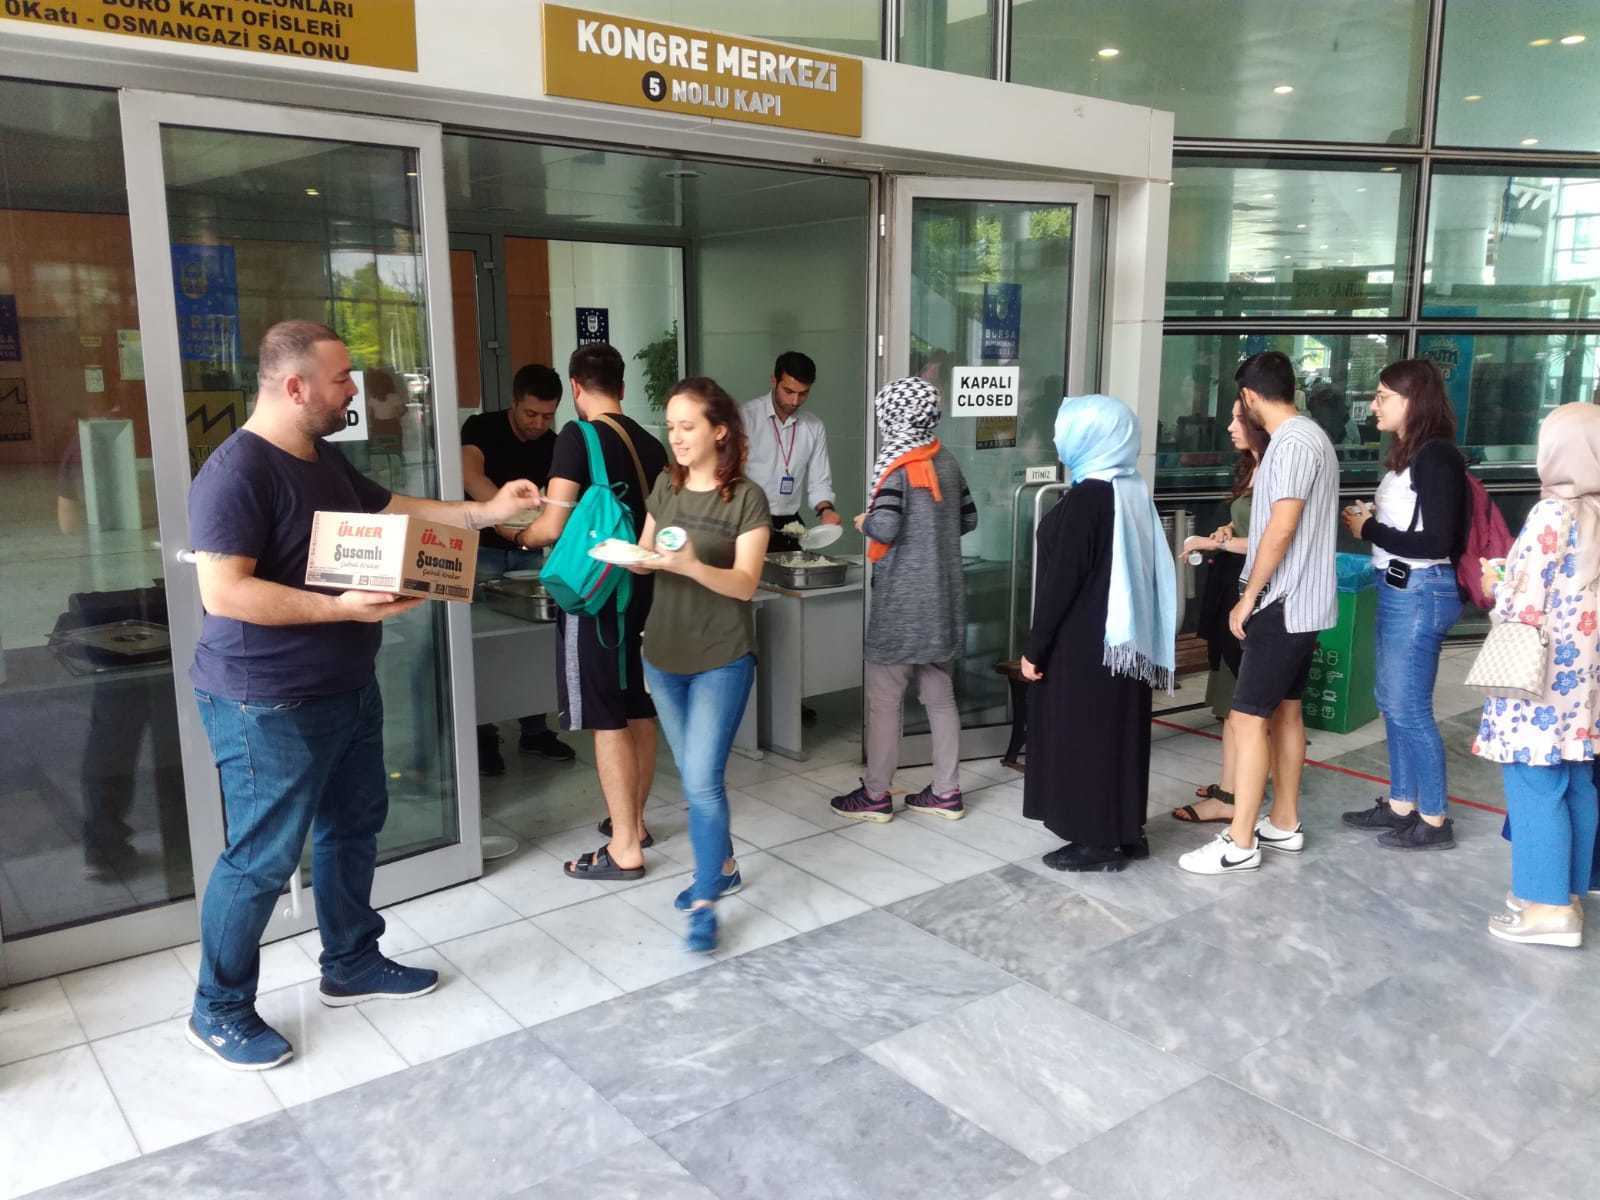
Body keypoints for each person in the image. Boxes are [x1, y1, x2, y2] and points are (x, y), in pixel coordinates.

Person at [186, 320, 541, 1070]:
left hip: (345, 685)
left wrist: (484, 514)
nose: (353, 389)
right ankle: (218, 1007)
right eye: (341, 377)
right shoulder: (235, 472)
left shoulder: (322, 458)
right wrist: (339, 609)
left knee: (352, 828)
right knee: (261, 858)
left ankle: (350, 961)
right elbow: (225, 593)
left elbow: (390, 510)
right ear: (295, 387)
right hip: (265, 700)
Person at [1181, 350, 1339, 876]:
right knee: (1287, 711)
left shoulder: (1290, 443)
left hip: (1281, 602)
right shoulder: (1313, 436)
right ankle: (1284, 821)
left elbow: (1282, 526)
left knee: (1248, 719)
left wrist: (1249, 595)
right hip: (1305, 603)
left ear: (1250, 396)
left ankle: (1240, 840)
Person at [515, 343, 668, 880]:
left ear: (576, 388)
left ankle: (624, 847)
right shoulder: (652, 443)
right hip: (642, 590)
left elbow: (552, 526)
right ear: (621, 387)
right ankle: (636, 823)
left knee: (606, 717)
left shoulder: (577, 437)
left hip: (597, 596)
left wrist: (518, 535)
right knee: (637, 708)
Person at [633, 377, 770, 951]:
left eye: (687, 426)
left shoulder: (746, 499)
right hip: (662, 656)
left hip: (721, 658)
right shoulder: (665, 486)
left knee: (701, 783)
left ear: (719, 431)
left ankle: (706, 900)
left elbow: (745, 584)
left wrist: (690, 565)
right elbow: (646, 553)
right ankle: (726, 865)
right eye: (671, 426)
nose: (677, 436)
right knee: (695, 779)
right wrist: (631, 557)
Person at [1020, 395, 1177, 871]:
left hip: (1084, 644)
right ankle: (1124, 832)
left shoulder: (1089, 497)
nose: (1057, 436)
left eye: (1065, 428)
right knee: (1119, 735)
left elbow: (1061, 582)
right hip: (1125, 641)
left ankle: (1095, 842)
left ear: (1090, 437)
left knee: (1084, 736)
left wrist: (1036, 647)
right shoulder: (1130, 489)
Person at [1471, 403, 1600, 947]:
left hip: (1540, 677)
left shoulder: (1553, 513)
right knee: (1576, 780)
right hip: (1584, 680)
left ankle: (1547, 907)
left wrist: (1496, 581)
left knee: (1534, 782)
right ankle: (1566, 892)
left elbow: (1520, 604)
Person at [829, 377, 977, 823]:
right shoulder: (946, 460)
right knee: (940, 696)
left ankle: (876, 794)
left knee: (885, 698)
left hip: (902, 604)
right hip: (943, 599)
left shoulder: (897, 465)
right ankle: (947, 791)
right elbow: (968, 519)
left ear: (891, 416)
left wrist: (865, 522)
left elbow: (887, 527)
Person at [1340, 359, 1468, 849]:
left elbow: (1437, 541)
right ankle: (1401, 805)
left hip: (1419, 590)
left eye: (1383, 396)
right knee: (1392, 702)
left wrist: (1368, 528)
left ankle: (1433, 819)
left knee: (1409, 707)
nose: (1373, 405)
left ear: (1414, 400)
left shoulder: (1436, 456)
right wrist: (1375, 521)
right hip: (1400, 588)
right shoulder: (1412, 453)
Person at [460, 363, 574, 772]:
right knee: (479, 642)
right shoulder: (481, 428)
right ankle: (482, 733)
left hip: (527, 550)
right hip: (481, 550)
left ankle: (535, 729)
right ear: (514, 402)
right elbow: (470, 476)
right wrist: (505, 522)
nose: (538, 424)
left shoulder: (554, 444)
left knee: (530, 640)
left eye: (547, 415)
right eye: (531, 414)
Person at [1173, 399, 1270, 826]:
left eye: (1238, 419)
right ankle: (1232, 784)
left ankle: (1233, 797)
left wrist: (1215, 543)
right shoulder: (1252, 466)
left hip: (1254, 595)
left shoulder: (1277, 469)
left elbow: (1275, 541)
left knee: (1240, 705)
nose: (1230, 426)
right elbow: (1252, 528)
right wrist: (1230, 530)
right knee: (1230, 699)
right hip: (1235, 589)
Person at [742, 351, 840, 553]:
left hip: (789, 523)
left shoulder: (813, 427)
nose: (795, 401)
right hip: (748, 520)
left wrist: (826, 510)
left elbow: (819, 481)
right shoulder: (745, 418)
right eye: (788, 391)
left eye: (803, 393)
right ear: (774, 380)